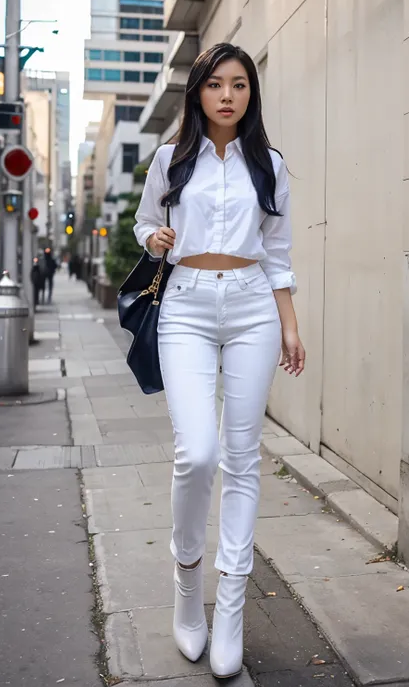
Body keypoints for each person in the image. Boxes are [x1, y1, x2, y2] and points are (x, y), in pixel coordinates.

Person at [134, 42, 305, 679]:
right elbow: (144, 221)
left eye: (239, 84)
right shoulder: (170, 159)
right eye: (215, 85)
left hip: (254, 305)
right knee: (196, 451)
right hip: (185, 305)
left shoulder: (272, 165)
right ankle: (187, 586)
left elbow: (279, 252)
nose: (228, 95)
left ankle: (230, 605)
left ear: (250, 94)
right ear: (198, 93)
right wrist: (153, 236)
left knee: (241, 457)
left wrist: (289, 326)